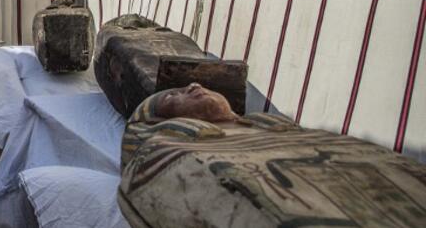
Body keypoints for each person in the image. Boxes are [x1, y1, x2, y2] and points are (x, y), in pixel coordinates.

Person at [118, 84, 426, 227]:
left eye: (193, 86)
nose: (195, 86)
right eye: (175, 96)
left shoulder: (281, 129)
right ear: (164, 125)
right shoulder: (170, 151)